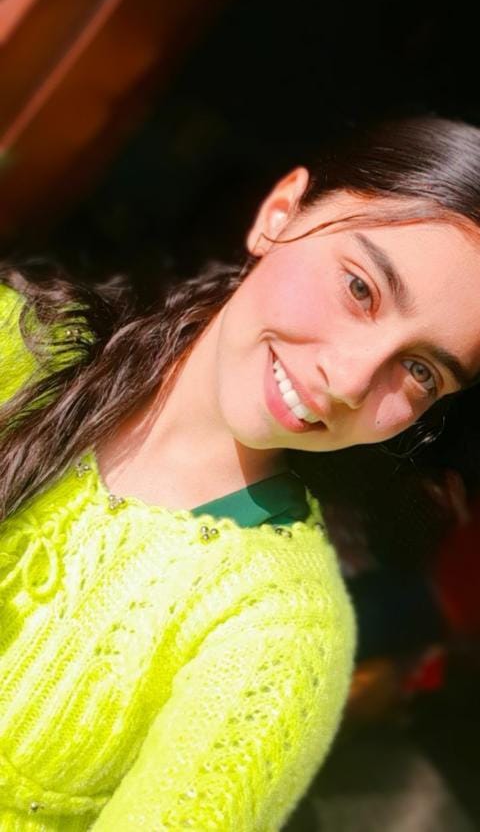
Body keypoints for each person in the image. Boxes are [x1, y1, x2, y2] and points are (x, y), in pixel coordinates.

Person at [1, 114, 480, 831]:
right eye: (360, 288)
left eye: (419, 371)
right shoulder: (15, 349)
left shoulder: (279, 636)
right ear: (279, 213)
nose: (350, 379)